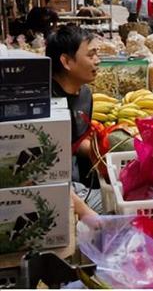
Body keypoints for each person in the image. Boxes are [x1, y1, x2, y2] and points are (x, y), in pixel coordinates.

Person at [46, 25, 101, 219]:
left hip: (72, 180)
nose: (98, 60)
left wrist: (103, 151)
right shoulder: (44, 103)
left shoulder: (85, 94)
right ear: (67, 61)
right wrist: (87, 214)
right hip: (49, 190)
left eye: (97, 53)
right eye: (91, 55)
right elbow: (41, 174)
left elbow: (75, 142)